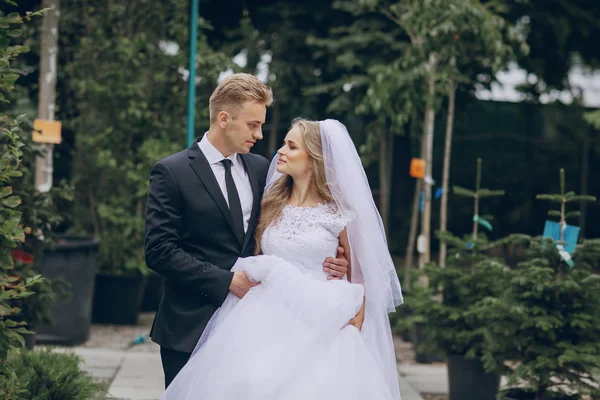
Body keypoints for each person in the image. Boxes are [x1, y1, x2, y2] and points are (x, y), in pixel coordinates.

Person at [160, 118, 404, 400]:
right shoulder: (270, 203)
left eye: (291, 146)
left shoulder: (340, 213)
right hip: (263, 320)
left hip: (320, 323)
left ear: (313, 159)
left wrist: (355, 314)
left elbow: (362, 277)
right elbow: (255, 253)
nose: (280, 151)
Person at [144, 74, 349, 388]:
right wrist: (227, 281)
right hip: (188, 326)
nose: (260, 133)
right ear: (224, 119)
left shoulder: (259, 168)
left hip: (254, 328)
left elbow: (284, 231)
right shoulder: (172, 172)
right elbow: (160, 251)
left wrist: (332, 258)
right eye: (253, 124)